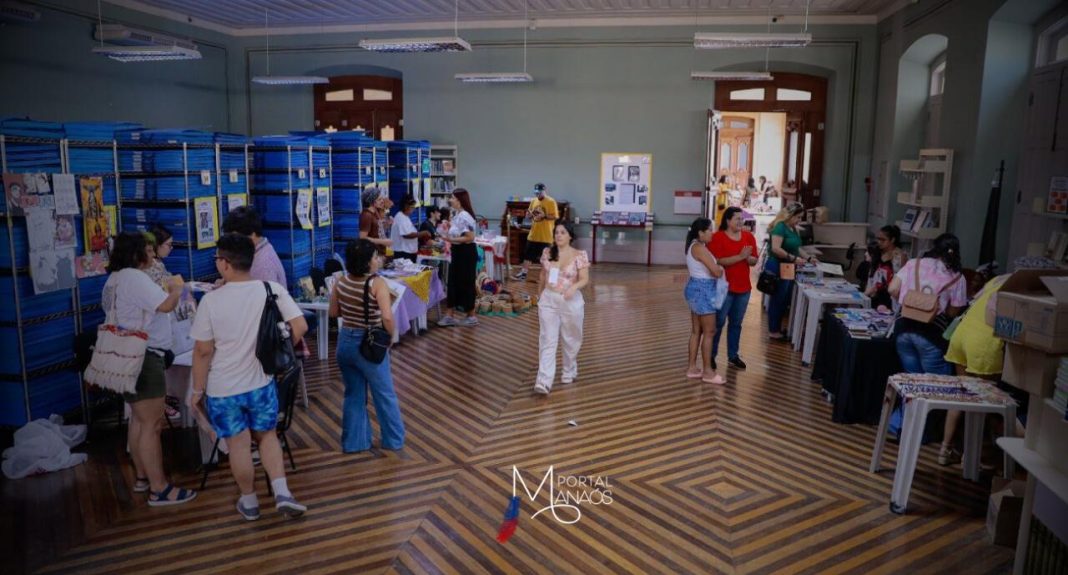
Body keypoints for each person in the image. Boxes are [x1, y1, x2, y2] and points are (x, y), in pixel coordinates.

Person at [190, 233, 309, 521]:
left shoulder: (211, 301)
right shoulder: (271, 289)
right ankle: (281, 492)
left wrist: (197, 390)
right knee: (267, 437)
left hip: (223, 388)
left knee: (238, 445)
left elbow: (203, 351)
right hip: (260, 383)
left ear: (226, 264)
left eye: (217, 258)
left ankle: (250, 502)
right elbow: (301, 326)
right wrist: (274, 350)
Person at [103, 232, 194, 506]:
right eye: (149, 252)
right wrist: (177, 288)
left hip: (126, 356)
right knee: (152, 426)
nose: (153, 257)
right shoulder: (135, 278)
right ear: (136, 254)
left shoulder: (114, 279)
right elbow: (166, 305)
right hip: (145, 357)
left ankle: (143, 477)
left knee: (139, 421)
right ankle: (160, 488)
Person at [329, 239, 405, 452]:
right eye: (374, 256)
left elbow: (334, 312)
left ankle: (354, 443)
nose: (378, 259)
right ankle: (393, 440)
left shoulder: (341, 281)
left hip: (345, 343)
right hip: (369, 344)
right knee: (384, 394)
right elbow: (387, 318)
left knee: (353, 394)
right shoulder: (376, 283)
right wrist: (391, 337)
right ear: (366, 262)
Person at [888, 233, 967, 376]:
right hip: (932, 333)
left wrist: (910, 301)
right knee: (937, 386)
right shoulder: (957, 277)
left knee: (912, 381)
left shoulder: (913, 263)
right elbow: (952, 312)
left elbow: (892, 289)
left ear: (935, 247)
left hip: (903, 328)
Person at [534, 221, 590, 395]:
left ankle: (569, 369)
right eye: (556, 232)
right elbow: (543, 274)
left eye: (563, 232)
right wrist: (539, 295)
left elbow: (584, 279)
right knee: (548, 340)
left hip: (570, 302)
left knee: (571, 338)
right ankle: (544, 381)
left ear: (570, 236)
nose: (558, 235)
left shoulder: (579, 255)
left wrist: (573, 287)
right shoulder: (547, 252)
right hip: (549, 300)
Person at [708, 207, 758, 370]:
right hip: (724, 287)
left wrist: (749, 258)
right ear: (728, 221)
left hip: (744, 288)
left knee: (736, 323)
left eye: (741, 219)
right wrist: (741, 257)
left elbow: (753, 261)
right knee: (719, 322)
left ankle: (733, 355)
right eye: (737, 218)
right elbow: (719, 261)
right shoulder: (718, 238)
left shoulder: (748, 236)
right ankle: (711, 355)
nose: (740, 221)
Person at [684, 218, 727, 385]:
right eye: (709, 230)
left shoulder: (693, 246)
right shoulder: (699, 248)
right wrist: (721, 269)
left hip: (696, 287)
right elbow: (715, 272)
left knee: (697, 331)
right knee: (709, 332)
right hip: (704, 290)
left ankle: (692, 367)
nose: (712, 233)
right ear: (700, 232)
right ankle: (708, 371)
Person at [766, 202, 815, 341]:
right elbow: (776, 248)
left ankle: (777, 327)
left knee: (784, 299)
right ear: (790, 215)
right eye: (798, 217)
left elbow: (796, 247)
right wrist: (793, 258)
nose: (799, 220)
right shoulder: (780, 227)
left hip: (788, 266)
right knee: (777, 298)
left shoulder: (793, 228)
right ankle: (773, 330)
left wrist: (809, 258)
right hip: (778, 265)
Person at [438, 189, 480, 327]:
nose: (450, 200)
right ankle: (450, 314)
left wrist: (450, 238)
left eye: (453, 198)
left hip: (465, 253)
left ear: (460, 200)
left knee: (466, 283)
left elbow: (470, 237)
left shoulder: (464, 216)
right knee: (454, 282)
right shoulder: (458, 215)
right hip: (458, 251)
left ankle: (471, 315)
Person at [222, 206, 286, 288]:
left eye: (236, 238)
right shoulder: (256, 251)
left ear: (252, 234)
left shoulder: (263, 266)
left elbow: (262, 299)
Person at [512, 183, 558, 281]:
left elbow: (554, 216)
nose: (538, 195)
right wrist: (528, 215)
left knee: (547, 259)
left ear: (544, 191)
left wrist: (544, 216)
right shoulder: (533, 201)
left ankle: (550, 278)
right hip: (534, 234)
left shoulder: (551, 201)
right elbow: (529, 213)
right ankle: (523, 274)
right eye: (536, 193)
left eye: (540, 193)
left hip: (546, 236)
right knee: (528, 255)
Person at [390, 196, 430, 262]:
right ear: (406, 206)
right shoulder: (400, 217)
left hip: (408, 251)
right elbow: (406, 234)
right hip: (403, 253)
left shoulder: (406, 217)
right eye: (412, 207)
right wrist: (422, 233)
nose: (413, 210)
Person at [863, 239, 896, 310]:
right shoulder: (873, 267)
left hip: (882, 304)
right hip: (874, 300)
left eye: (867, 252)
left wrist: (861, 297)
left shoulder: (883, 269)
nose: (865, 254)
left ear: (873, 254)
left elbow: (874, 289)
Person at [359, 187, 392, 255]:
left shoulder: (375, 212)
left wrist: (387, 224)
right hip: (374, 254)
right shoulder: (366, 215)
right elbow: (362, 238)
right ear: (372, 202)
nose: (382, 201)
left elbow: (376, 230)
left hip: (382, 252)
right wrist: (382, 241)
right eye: (379, 199)